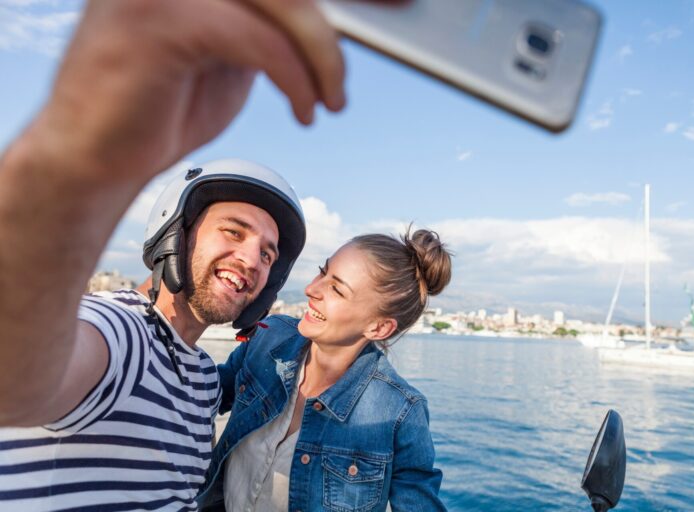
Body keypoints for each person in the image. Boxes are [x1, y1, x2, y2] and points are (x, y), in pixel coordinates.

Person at [0, 0, 346, 510]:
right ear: (174, 235)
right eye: (233, 231)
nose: (251, 259)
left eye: (268, 254)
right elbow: (15, 378)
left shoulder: (204, 379)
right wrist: (81, 148)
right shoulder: (121, 333)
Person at [197, 228, 452, 512]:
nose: (311, 289)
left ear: (379, 327)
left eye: (337, 289)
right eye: (323, 272)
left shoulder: (400, 411)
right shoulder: (269, 337)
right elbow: (203, 390)